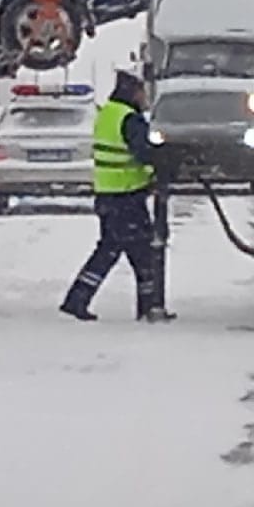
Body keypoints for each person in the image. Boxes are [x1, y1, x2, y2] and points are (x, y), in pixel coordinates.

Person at [60, 68, 175, 322]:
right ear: (133, 92)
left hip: (109, 194)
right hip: (126, 196)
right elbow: (144, 152)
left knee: (115, 250)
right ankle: (145, 307)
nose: (146, 97)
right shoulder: (129, 119)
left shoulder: (108, 113)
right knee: (137, 253)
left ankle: (80, 299)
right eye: (143, 91)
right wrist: (165, 160)